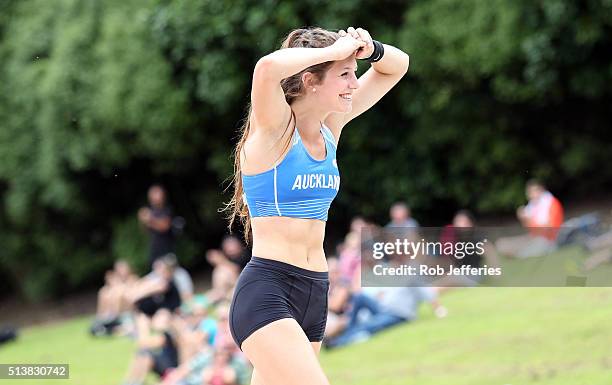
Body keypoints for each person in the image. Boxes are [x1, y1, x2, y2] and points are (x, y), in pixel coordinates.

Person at [224, 26, 409, 385]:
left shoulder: (331, 127)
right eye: (344, 75)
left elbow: (397, 66)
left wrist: (368, 48)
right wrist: (334, 49)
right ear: (311, 80)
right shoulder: (275, 129)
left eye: (353, 75)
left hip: (314, 292)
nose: (354, 84)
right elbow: (266, 69)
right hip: (269, 290)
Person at [496, 179, 564, 258]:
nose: (531, 195)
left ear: (541, 190)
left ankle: (518, 254)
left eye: (533, 191)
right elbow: (531, 230)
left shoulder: (551, 203)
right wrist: (523, 219)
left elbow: (549, 230)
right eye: (529, 192)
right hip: (534, 238)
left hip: (549, 240)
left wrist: (529, 219)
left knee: (527, 251)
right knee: (501, 244)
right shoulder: (532, 206)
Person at [138, 184, 175, 268]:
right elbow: (145, 231)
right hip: (155, 249)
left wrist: (150, 218)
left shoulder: (167, 209)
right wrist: (142, 221)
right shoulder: (150, 210)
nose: (157, 196)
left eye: (158, 193)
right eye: (154, 194)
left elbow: (165, 227)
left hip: (167, 248)